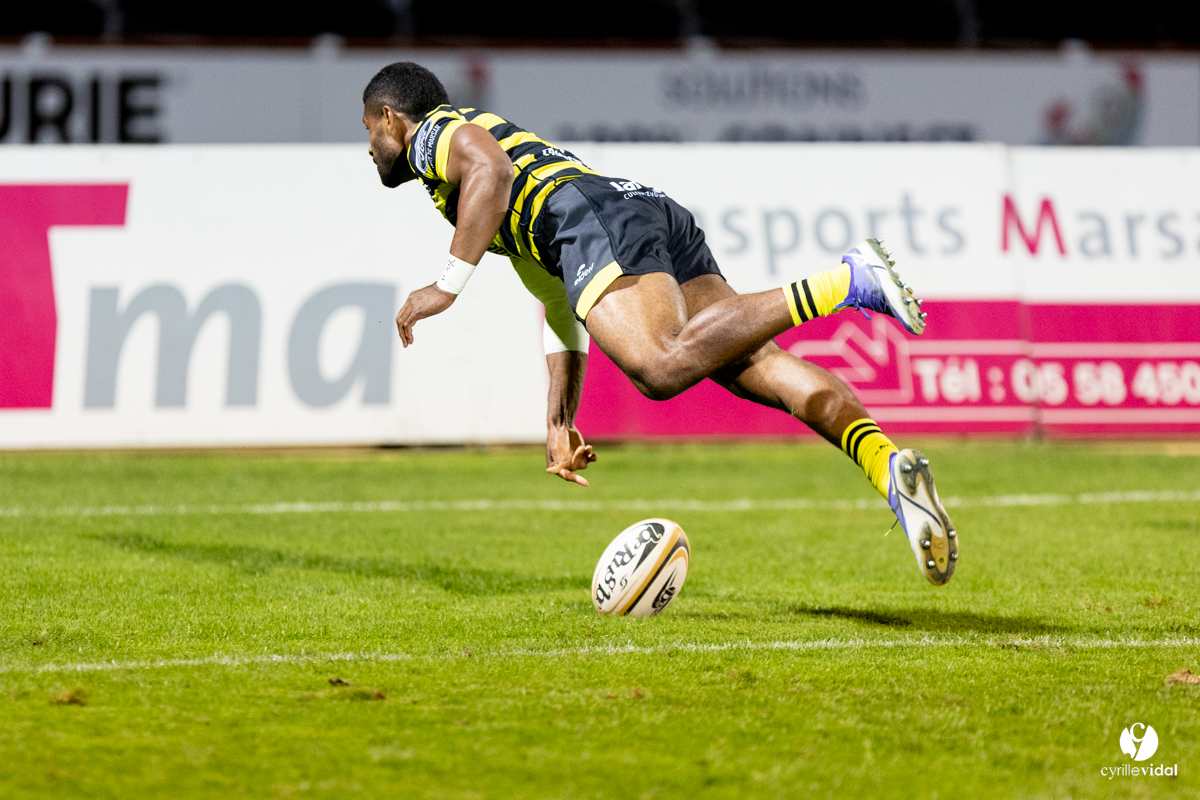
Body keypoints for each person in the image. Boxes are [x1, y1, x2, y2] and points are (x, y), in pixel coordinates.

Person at [361, 62, 958, 586]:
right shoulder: (468, 191)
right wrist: (559, 420)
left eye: (368, 130)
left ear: (390, 117)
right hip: (637, 207)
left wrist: (446, 285)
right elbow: (560, 299)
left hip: (590, 214)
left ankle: (847, 281)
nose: (368, 148)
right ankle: (887, 468)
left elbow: (491, 169)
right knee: (755, 365)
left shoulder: (433, 134)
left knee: (659, 366)